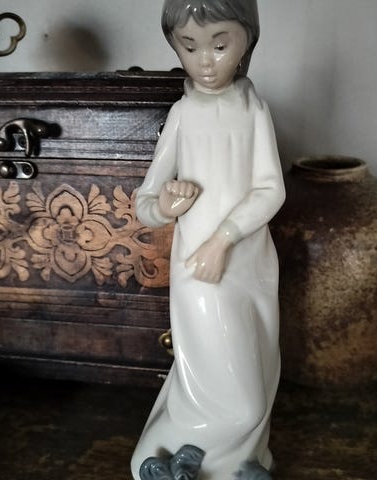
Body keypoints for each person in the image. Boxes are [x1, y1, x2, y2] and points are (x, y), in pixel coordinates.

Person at [131, 1, 285, 478]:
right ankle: (162, 459)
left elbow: (271, 189)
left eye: (219, 46)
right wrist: (165, 206)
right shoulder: (182, 115)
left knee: (262, 367)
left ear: (246, 41)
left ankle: (234, 463)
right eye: (189, 46)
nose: (205, 61)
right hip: (200, 271)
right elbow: (145, 201)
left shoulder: (253, 109)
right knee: (238, 398)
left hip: (250, 263)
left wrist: (224, 240)